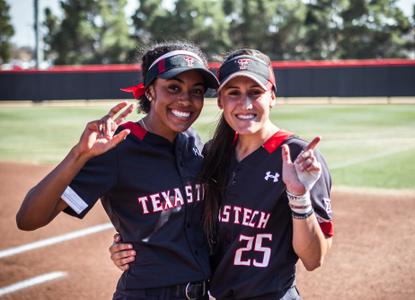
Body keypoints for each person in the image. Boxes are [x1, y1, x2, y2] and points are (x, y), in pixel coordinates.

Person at [110, 49, 334, 299]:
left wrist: (298, 197)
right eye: (233, 93)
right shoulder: (212, 155)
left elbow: (314, 259)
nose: (245, 104)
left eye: (255, 92)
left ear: (272, 96)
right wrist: (135, 246)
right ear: (220, 101)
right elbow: (187, 220)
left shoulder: (298, 157)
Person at [16, 41, 220, 300]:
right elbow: (29, 220)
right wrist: (79, 155)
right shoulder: (117, 148)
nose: (186, 100)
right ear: (149, 92)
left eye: (197, 91)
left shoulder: (194, 144)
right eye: (173, 87)